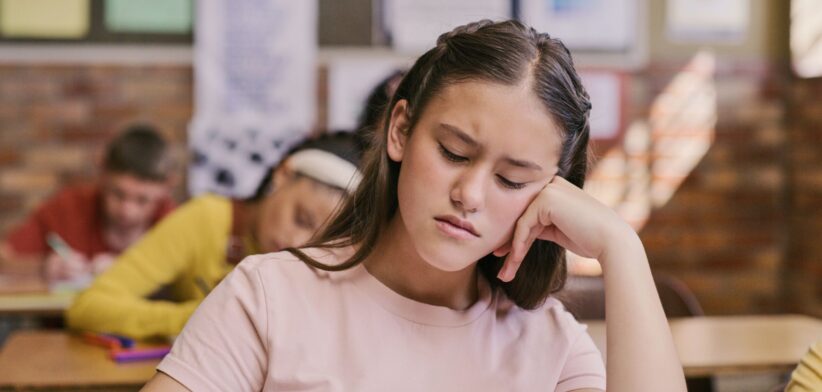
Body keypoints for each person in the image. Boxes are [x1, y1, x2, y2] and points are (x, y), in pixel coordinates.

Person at [143, 20, 686, 391]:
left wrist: (622, 249)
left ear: (551, 196)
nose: (470, 195)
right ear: (400, 130)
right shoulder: (269, 297)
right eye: (453, 152)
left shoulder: (552, 346)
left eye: (512, 179)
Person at [66, 132, 364, 340]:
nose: (300, 244)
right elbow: (89, 306)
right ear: (283, 174)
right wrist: (195, 317)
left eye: (321, 241)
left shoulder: (328, 263)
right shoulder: (207, 219)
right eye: (301, 218)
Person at [0, 124, 177, 283]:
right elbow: (4, 259)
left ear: (167, 187)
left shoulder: (175, 222)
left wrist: (131, 270)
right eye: (117, 194)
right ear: (102, 173)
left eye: (142, 200)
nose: (126, 210)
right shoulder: (68, 207)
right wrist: (43, 267)